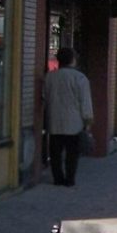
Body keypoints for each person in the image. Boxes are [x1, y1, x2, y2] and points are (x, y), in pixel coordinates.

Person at [44, 47, 93, 187]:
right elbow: (85, 102)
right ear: (73, 60)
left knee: (55, 154)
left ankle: (57, 178)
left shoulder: (50, 77)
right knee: (72, 154)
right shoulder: (80, 78)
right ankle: (70, 179)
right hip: (74, 123)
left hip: (54, 121)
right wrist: (88, 121)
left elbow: (46, 98)